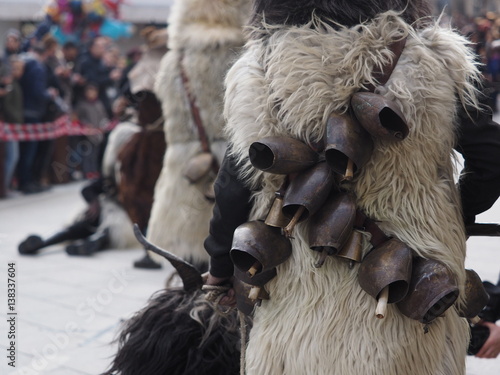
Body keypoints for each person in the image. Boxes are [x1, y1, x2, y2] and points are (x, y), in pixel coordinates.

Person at [202, 1, 500, 374]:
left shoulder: (259, 69)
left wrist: (217, 270)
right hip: (410, 295)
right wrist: (451, 218)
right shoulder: (434, 61)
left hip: (298, 297)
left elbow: (233, 187)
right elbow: (490, 159)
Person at [74, 83, 108, 179]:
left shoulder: (99, 104)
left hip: (99, 133)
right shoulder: (82, 105)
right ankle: (87, 172)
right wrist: (86, 126)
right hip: (87, 134)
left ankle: (95, 170)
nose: (91, 94)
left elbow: (104, 116)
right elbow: (77, 118)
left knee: (96, 154)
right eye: (89, 92)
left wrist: (103, 126)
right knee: (88, 153)